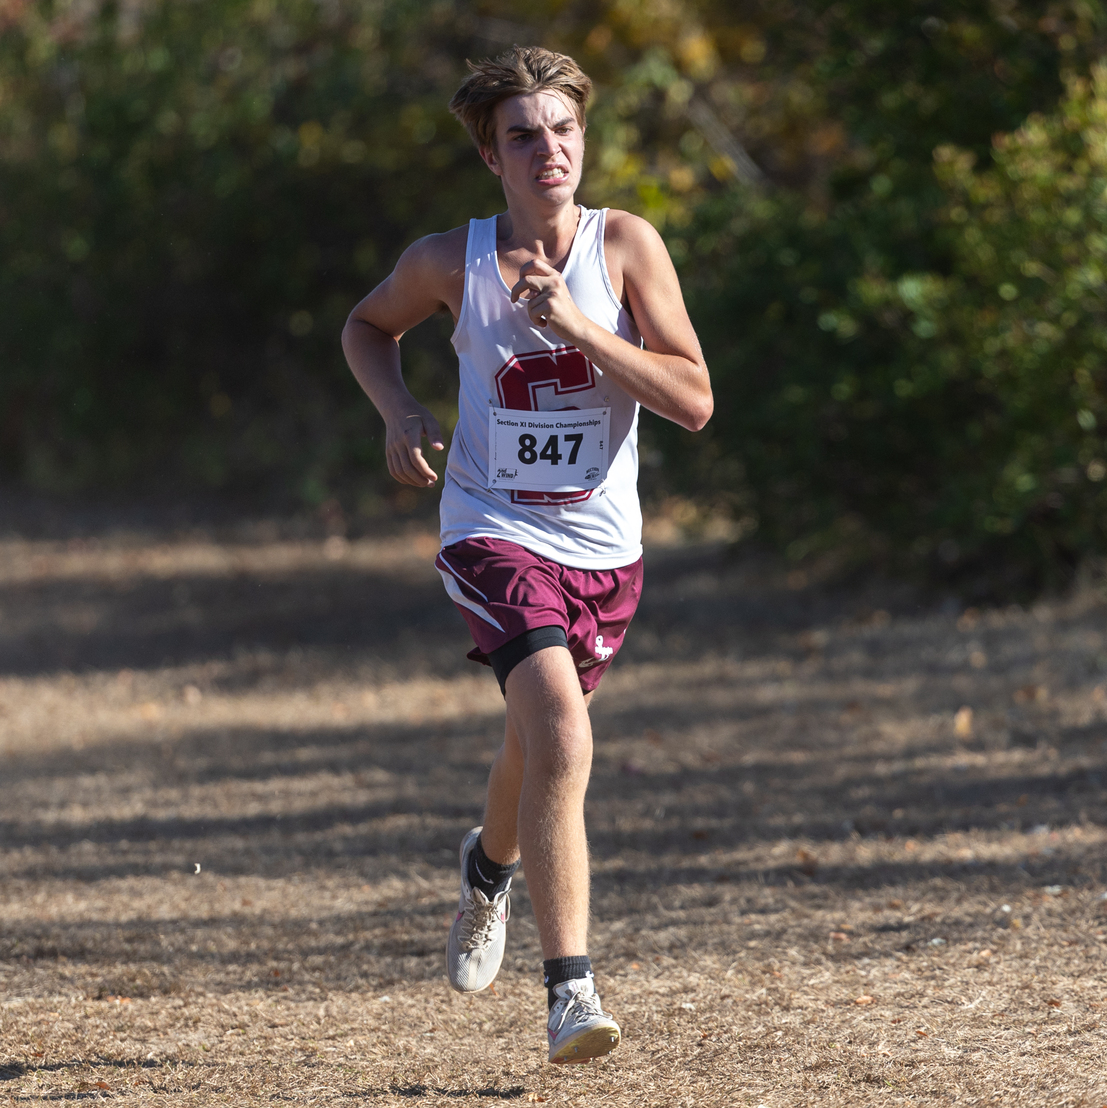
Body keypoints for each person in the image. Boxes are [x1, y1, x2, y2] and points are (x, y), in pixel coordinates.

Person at [341, 45, 712, 1064]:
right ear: (489, 158)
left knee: (537, 741)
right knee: (560, 730)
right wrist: (399, 407)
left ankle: (488, 868)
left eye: (563, 130)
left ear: (582, 141)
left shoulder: (626, 246)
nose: (548, 150)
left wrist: (585, 326)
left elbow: (692, 400)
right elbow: (368, 327)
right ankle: (571, 992)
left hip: (606, 551)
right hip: (492, 531)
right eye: (522, 136)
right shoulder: (447, 262)